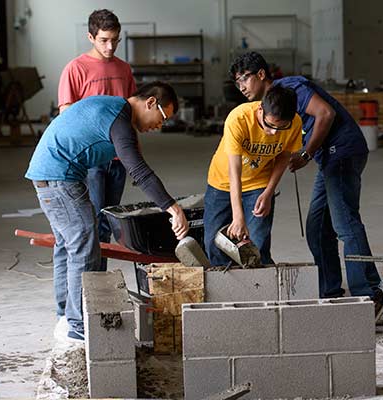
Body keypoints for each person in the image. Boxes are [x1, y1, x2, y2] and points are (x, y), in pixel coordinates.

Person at [26, 82, 188, 342]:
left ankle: (66, 318)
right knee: (84, 245)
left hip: (51, 175)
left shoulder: (115, 110)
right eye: (163, 117)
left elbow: (134, 163)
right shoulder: (119, 120)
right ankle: (78, 328)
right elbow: (139, 171)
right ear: (150, 102)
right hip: (59, 178)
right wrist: (173, 208)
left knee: (70, 246)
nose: (160, 125)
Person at [229, 52, 383, 312]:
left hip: (342, 152)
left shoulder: (289, 88)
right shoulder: (271, 104)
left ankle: (369, 295)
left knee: (345, 224)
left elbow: (325, 113)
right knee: (317, 229)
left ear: (261, 74)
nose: (241, 87)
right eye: (237, 82)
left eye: (244, 79)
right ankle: (330, 291)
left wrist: (307, 153)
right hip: (328, 158)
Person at [58, 9, 137, 272]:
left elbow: (131, 112)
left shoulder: (124, 69)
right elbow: (66, 116)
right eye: (104, 40)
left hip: (117, 157)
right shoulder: (76, 68)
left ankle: (99, 282)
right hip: (91, 160)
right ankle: (89, 283)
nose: (110, 46)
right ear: (90, 37)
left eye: (115, 39)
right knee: (90, 222)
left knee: (108, 221)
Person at [203, 85, 302, 266]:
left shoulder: (294, 123)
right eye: (270, 125)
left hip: (259, 182)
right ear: (260, 110)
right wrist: (238, 216)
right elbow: (235, 172)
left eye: (281, 128)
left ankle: (258, 287)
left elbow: (283, 157)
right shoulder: (238, 119)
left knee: (257, 244)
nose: (273, 132)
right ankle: (224, 287)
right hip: (223, 182)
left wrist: (268, 193)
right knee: (213, 243)